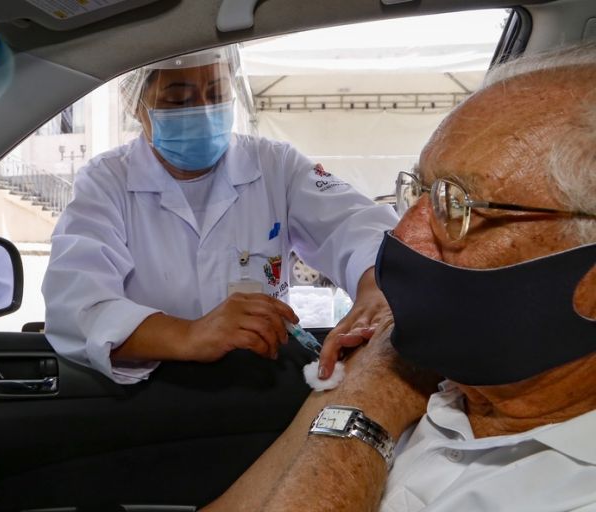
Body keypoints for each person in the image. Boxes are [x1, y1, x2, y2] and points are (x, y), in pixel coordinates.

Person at [204, 41, 596, 511]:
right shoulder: (428, 370)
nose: (404, 236)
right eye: (419, 190)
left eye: (457, 205)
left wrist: (365, 409)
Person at [42, 45, 399, 384]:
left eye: (216, 94)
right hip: (153, 395)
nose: (204, 111)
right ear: (136, 105)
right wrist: (190, 335)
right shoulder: (108, 181)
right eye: (178, 100)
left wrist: (373, 291)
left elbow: (357, 225)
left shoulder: (275, 165)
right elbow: (76, 306)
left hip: (263, 388)